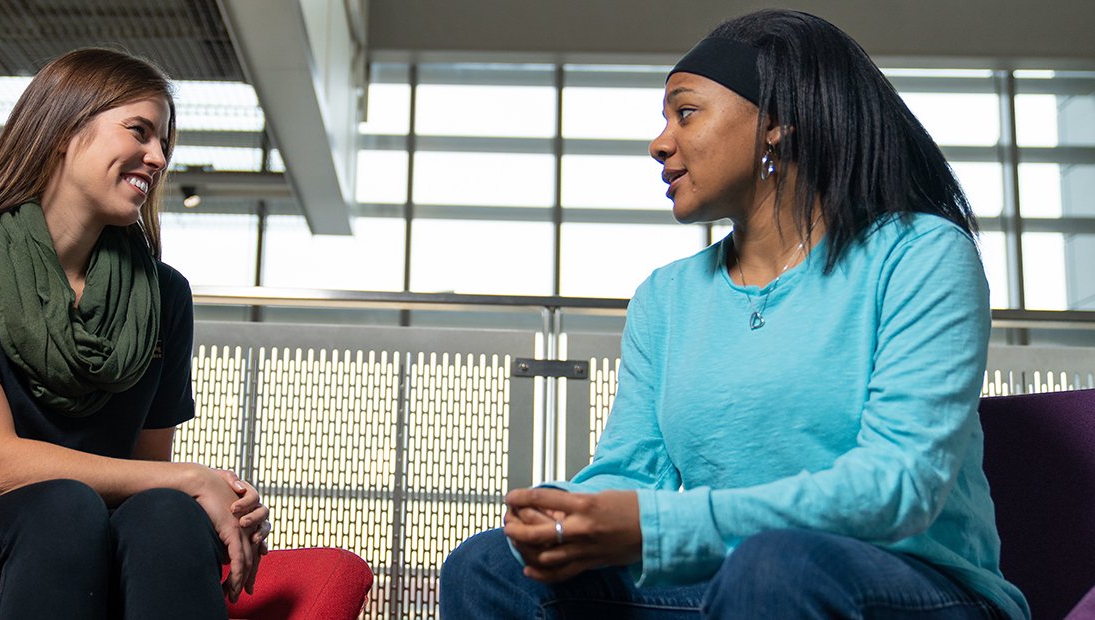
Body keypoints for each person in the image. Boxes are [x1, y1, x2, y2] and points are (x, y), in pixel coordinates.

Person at [440, 9, 1029, 619]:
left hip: (918, 588)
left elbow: (898, 487)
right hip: (736, 585)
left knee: (776, 567)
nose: (659, 143)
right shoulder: (666, 298)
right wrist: (562, 513)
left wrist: (658, 527)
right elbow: (633, 471)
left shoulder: (921, 254)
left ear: (775, 124)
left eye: (685, 112)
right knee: (489, 567)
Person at [0, 48, 271, 619]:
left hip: (97, 554)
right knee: (60, 505)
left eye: (164, 144)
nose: (156, 158)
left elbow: (148, 478)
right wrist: (190, 478)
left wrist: (203, 495)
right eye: (140, 132)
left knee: (167, 513)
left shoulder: (164, 296)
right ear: (62, 130)